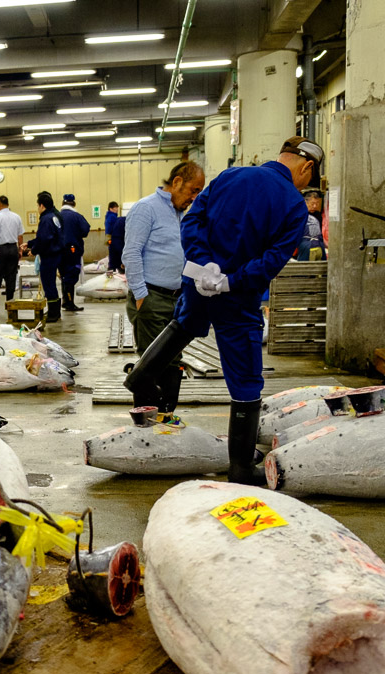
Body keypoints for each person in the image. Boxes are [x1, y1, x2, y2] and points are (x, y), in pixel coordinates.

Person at [125, 136, 318, 484]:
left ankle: (140, 375)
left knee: (184, 324)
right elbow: (274, 259)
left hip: (197, 284)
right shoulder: (294, 204)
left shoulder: (230, 176)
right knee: (245, 381)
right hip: (238, 297)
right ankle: (241, 467)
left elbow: (192, 220)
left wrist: (202, 265)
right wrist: (231, 280)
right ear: (305, 168)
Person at [120, 161, 206, 415]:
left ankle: (166, 415)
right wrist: (140, 295)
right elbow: (131, 252)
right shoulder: (146, 209)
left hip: (178, 298)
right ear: (177, 182)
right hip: (151, 297)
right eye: (193, 190)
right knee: (151, 360)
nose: (194, 197)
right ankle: (146, 422)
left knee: (172, 359)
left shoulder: (181, 214)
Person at [21, 191, 66, 323]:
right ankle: (55, 312)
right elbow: (45, 237)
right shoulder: (54, 217)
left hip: (49, 256)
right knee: (51, 284)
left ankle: (53, 313)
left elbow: (44, 239)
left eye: (37, 205)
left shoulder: (46, 219)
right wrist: (29, 244)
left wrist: (34, 250)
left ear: (41, 206)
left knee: (48, 284)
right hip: (56, 254)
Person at [0, 194, 24, 311]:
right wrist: (20, 249)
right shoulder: (17, 217)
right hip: (13, 249)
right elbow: (20, 236)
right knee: (11, 277)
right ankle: (10, 304)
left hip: (0, 250)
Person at [59, 193, 91, 312]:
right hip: (73, 251)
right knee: (71, 276)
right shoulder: (77, 216)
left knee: (63, 275)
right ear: (74, 204)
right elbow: (85, 230)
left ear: (63, 203)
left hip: (59, 251)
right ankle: (70, 302)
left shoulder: (57, 216)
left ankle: (65, 301)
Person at [296, 188, 326, 261]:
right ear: (305, 202)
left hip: (319, 246)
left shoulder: (318, 215)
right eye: (312, 204)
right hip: (305, 246)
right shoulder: (300, 215)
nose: (315, 206)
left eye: (317, 203)